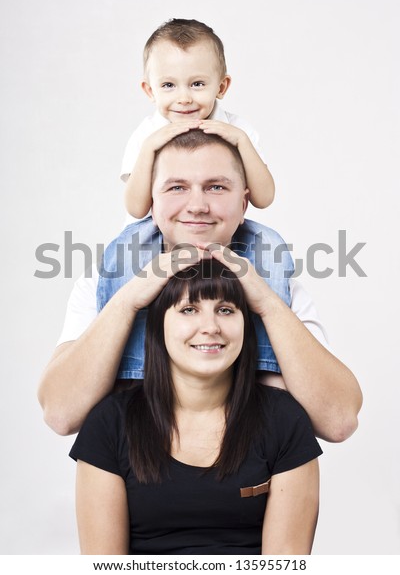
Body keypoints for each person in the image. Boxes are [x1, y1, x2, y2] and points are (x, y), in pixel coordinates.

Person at [37, 130, 363, 443]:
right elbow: (61, 415)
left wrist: (265, 302)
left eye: (216, 188)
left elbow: (339, 421)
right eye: (177, 187)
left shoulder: (276, 281)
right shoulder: (105, 280)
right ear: (151, 200)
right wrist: (127, 302)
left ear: (244, 203)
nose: (197, 206)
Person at [70, 258, 322, 555]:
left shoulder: (285, 420)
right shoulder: (109, 423)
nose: (210, 327)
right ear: (158, 325)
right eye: (189, 309)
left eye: (225, 310)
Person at [122, 18, 275, 223]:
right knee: (124, 249)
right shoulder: (146, 135)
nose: (184, 98)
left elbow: (264, 199)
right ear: (150, 91)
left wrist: (242, 142)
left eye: (197, 84)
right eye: (168, 85)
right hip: (156, 231)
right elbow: (136, 209)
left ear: (221, 87)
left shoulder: (237, 130)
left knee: (268, 242)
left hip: (215, 227)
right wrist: (149, 148)